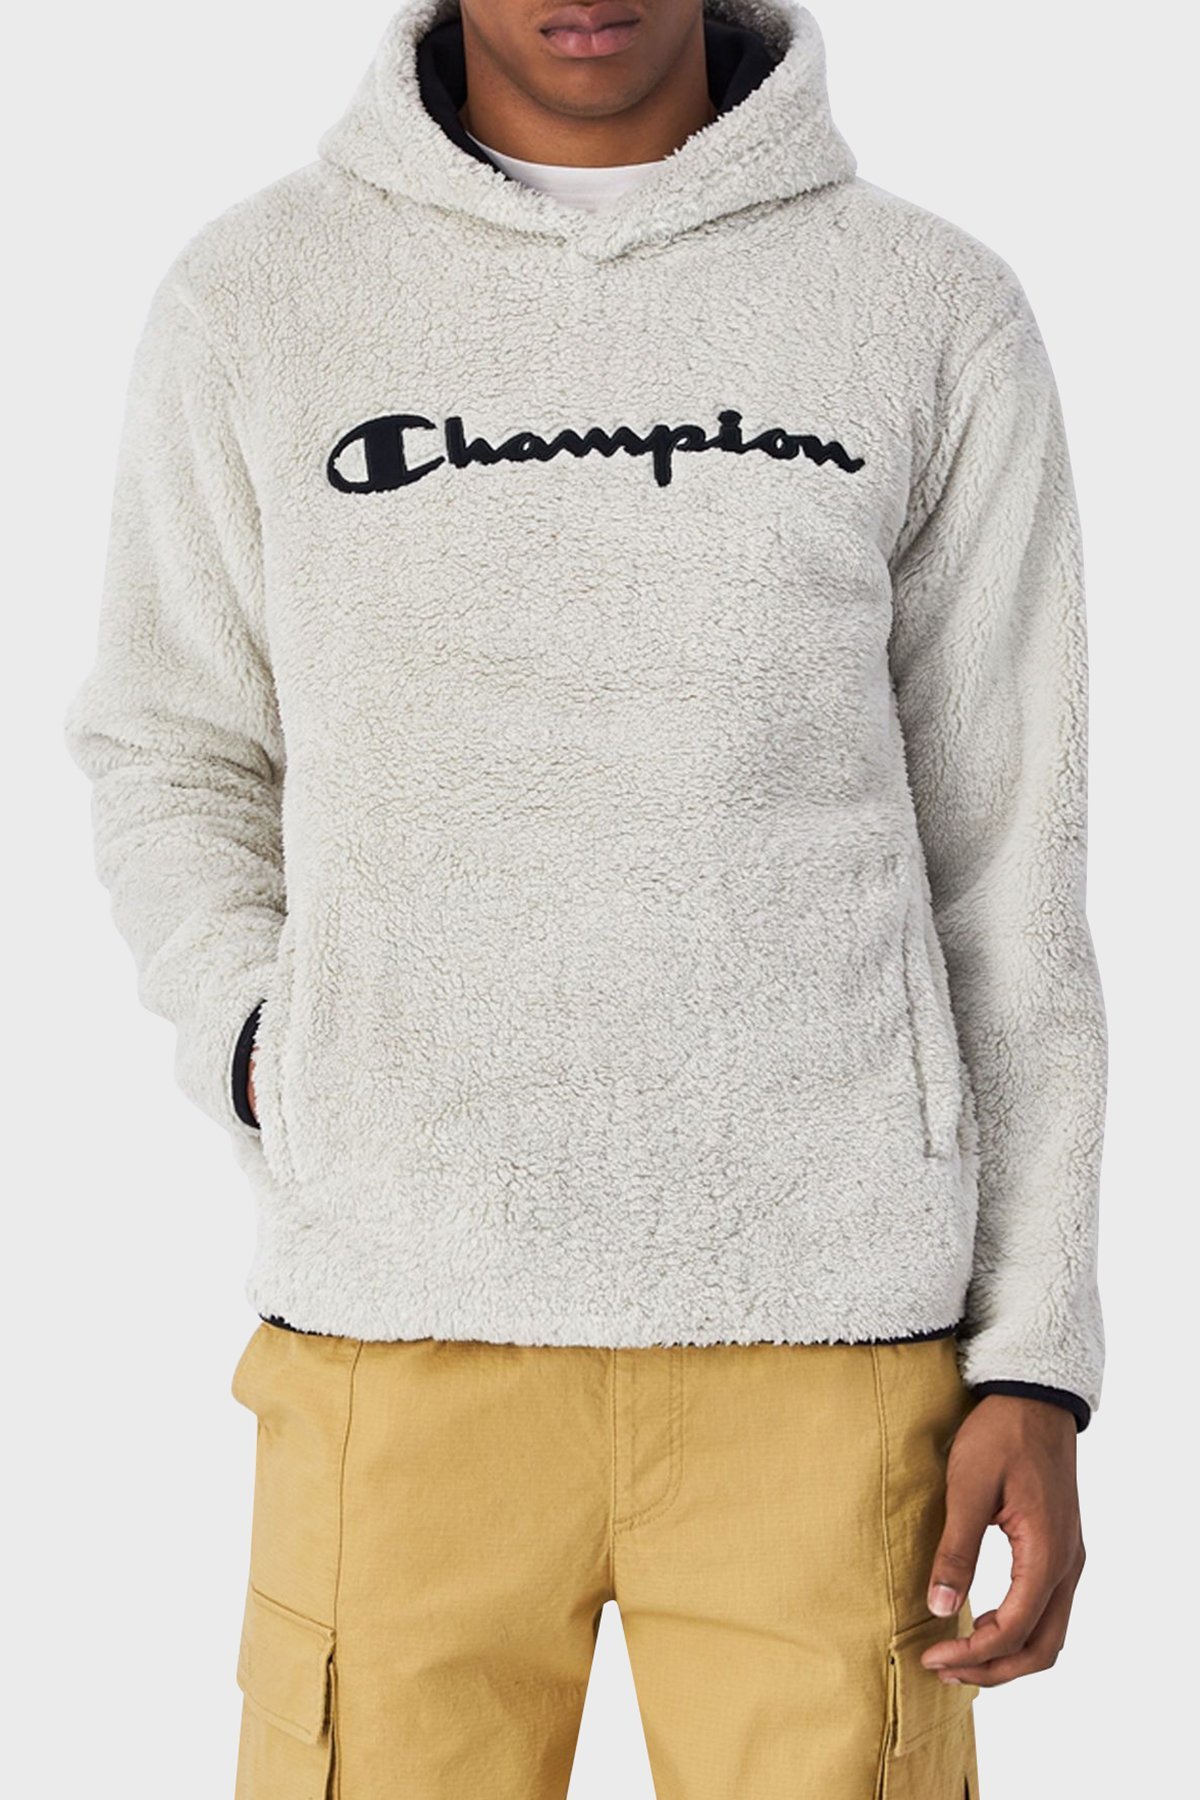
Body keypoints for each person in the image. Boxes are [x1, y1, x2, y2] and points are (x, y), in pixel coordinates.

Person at [62, 2, 1107, 1795]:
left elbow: (1014, 856)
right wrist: (266, 1048)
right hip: (400, 1319)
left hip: (832, 1337)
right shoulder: (260, 297)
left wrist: (1038, 1355)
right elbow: (172, 745)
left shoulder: (924, 306)